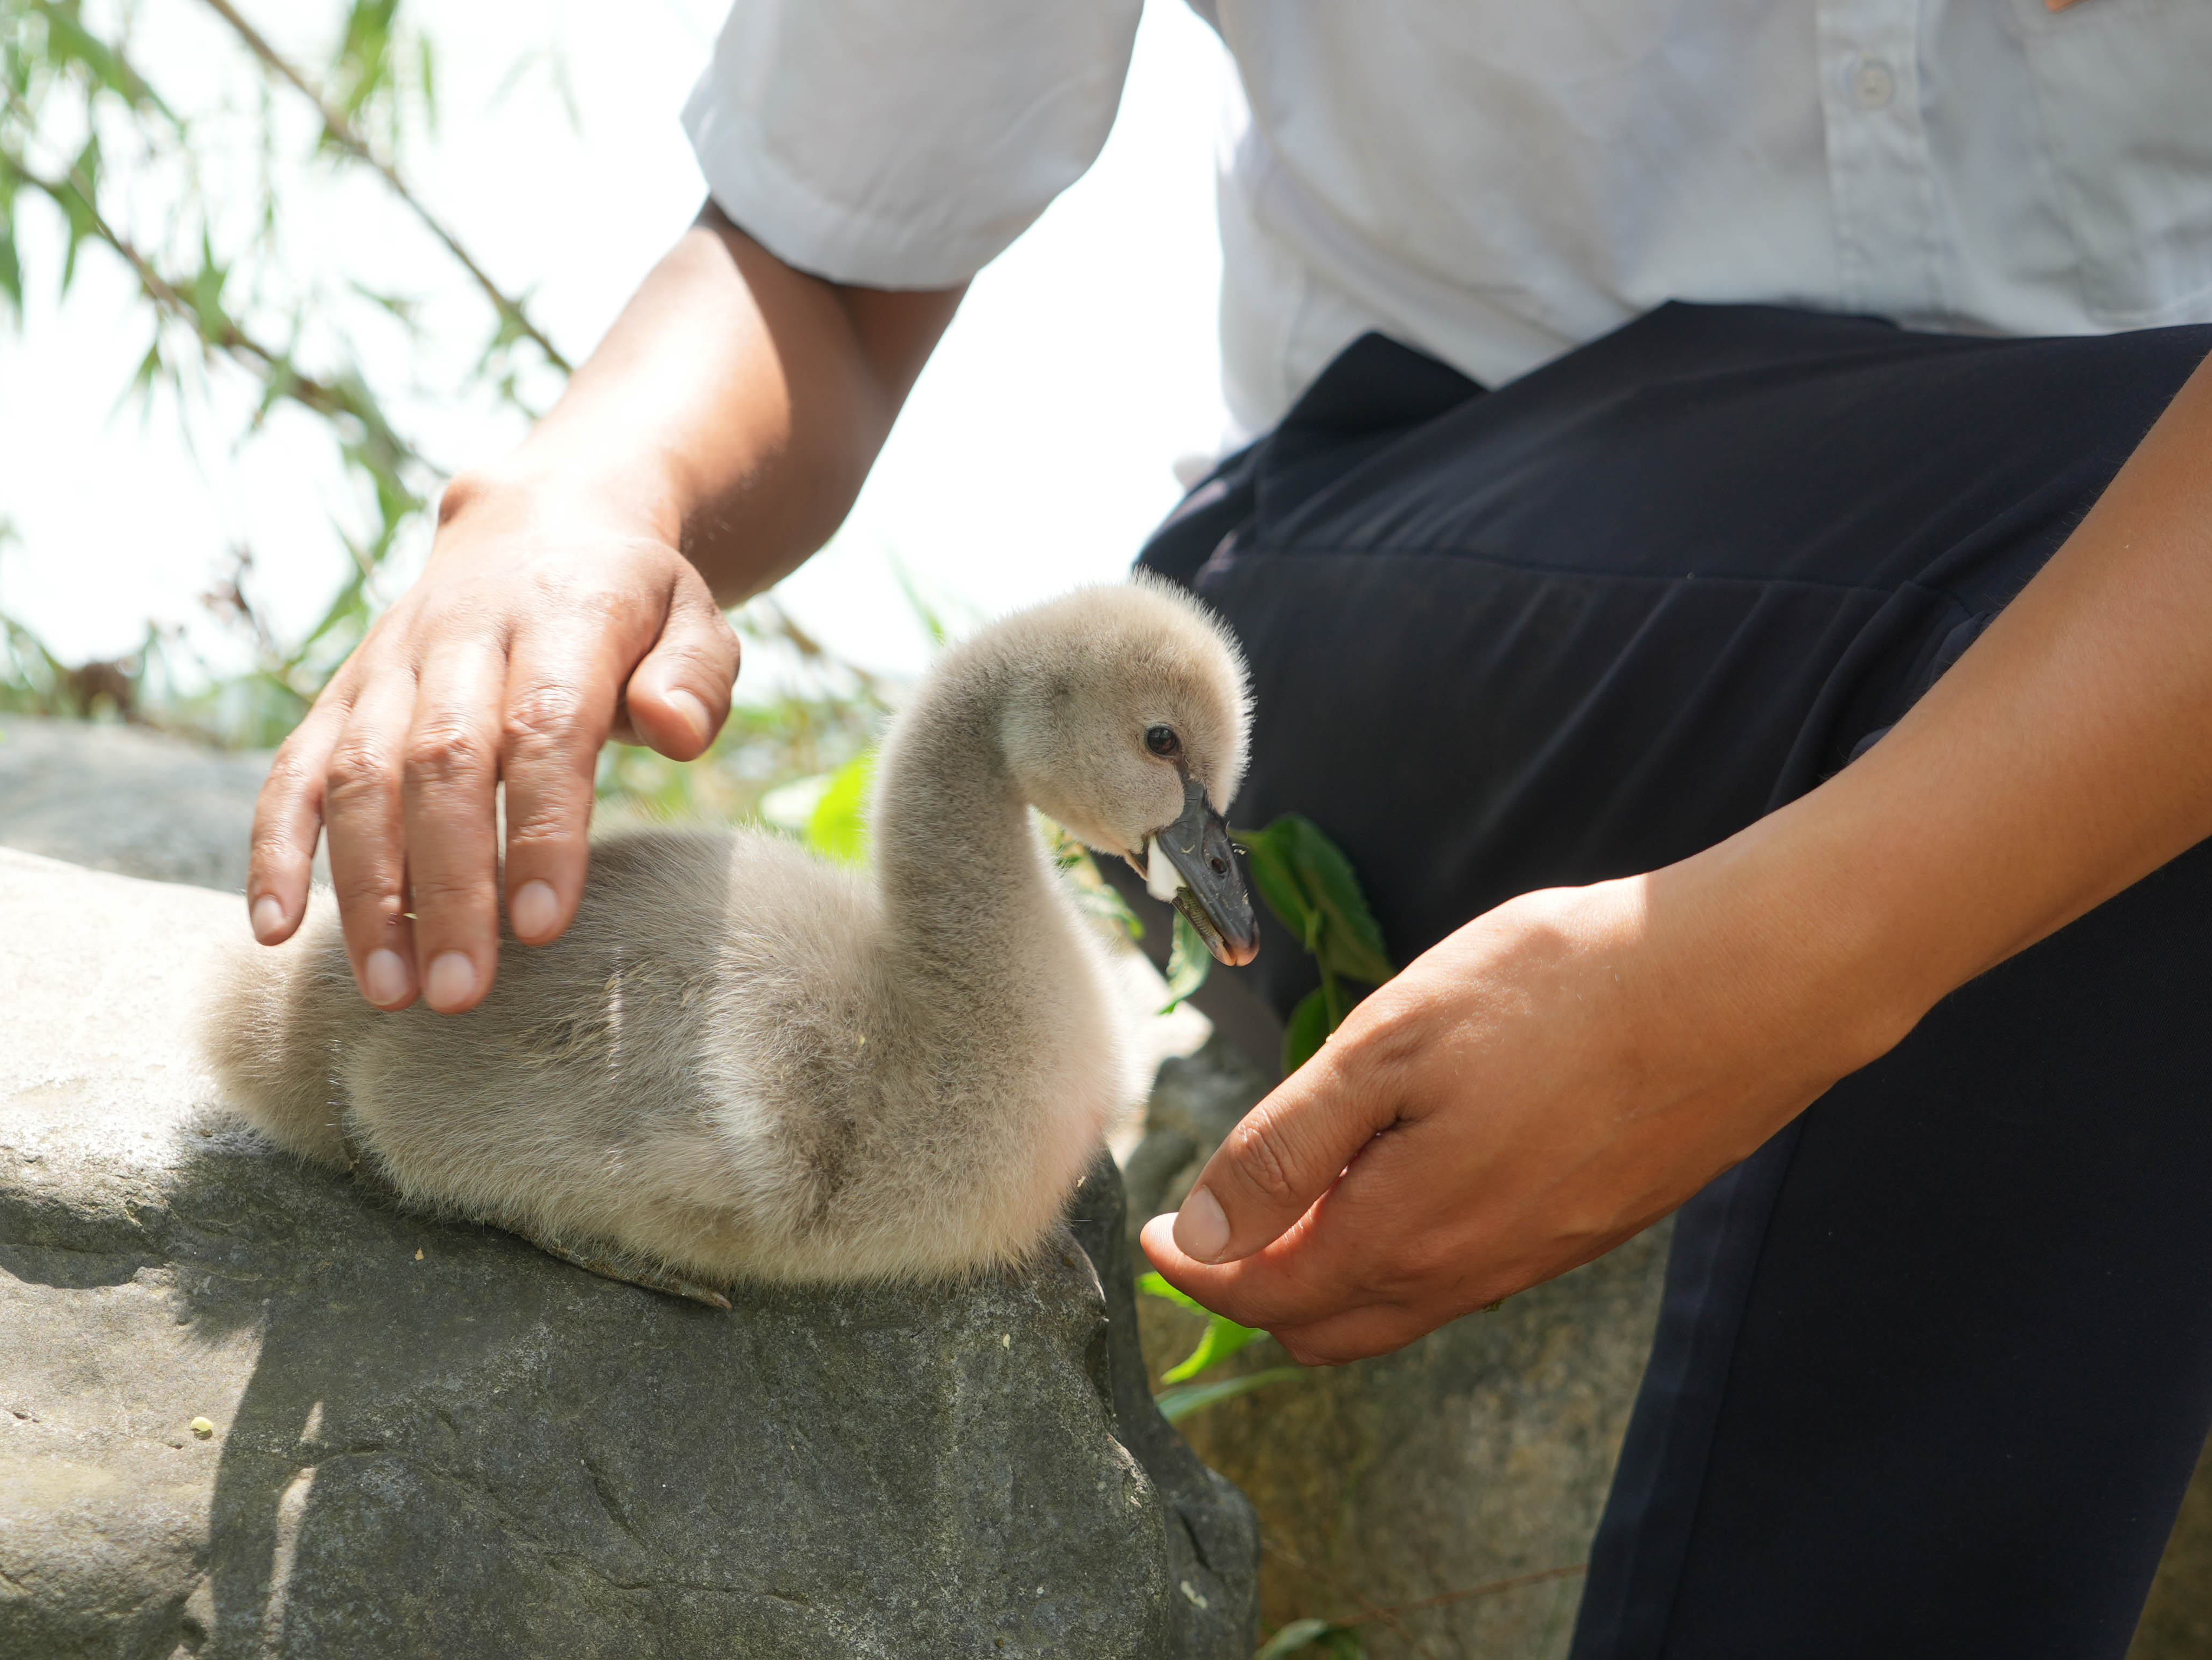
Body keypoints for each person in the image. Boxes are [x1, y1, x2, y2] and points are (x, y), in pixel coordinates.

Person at [243, 5, 2212, 1652]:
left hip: (2132, 537)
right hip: (1432, 575)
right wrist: (588, 494)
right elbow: (824, 250)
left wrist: (1782, 972)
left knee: (2135, 701)